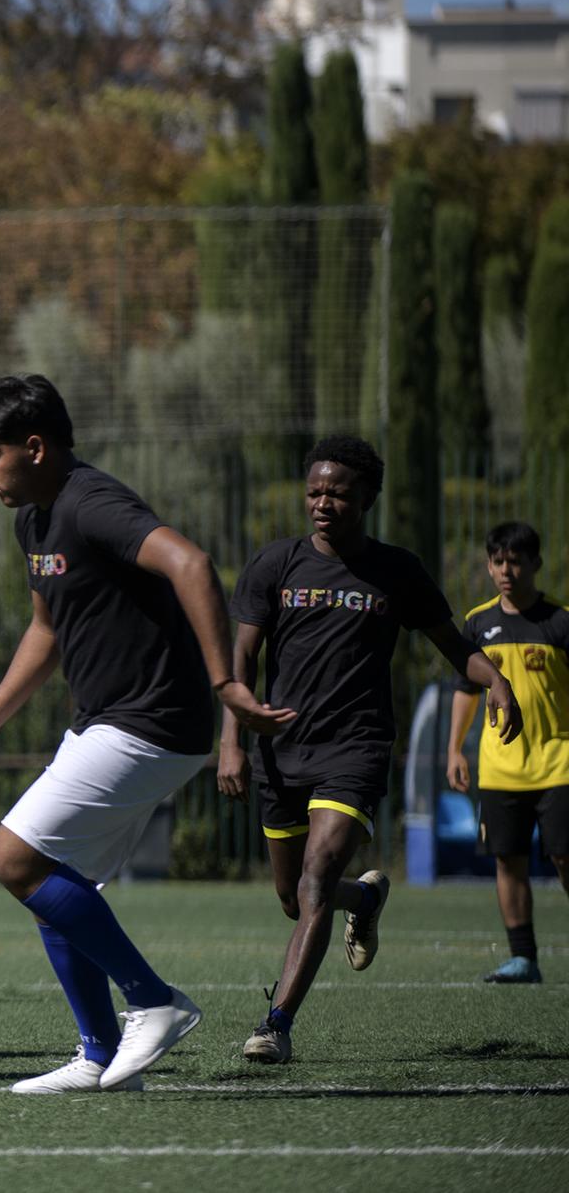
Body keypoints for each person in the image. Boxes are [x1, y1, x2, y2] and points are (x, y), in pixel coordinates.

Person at [0, 375, 282, 1094]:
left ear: (36, 448)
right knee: (55, 877)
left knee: (14, 856)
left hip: (154, 719)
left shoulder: (91, 501)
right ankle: (97, 1055)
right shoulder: (32, 520)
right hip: (107, 721)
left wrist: (225, 685)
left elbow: (191, 563)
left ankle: (152, 1001)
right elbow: (46, 629)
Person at [221, 437, 519, 1065]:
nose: (323, 503)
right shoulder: (275, 564)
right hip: (282, 749)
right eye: (315, 492)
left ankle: (276, 1023)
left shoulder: (397, 571)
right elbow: (240, 662)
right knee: (293, 895)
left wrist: (494, 679)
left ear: (368, 499)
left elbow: (450, 642)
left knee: (316, 877)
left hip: (355, 747)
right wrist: (233, 743)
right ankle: (368, 898)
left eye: (337, 493)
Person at [445, 520, 566, 984]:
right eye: (498, 561)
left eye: (515, 561)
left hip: (560, 762)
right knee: (507, 859)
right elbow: (465, 690)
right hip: (500, 768)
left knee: (564, 856)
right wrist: (456, 749)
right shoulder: (477, 623)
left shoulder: (560, 621)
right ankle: (523, 958)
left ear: (535, 563)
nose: (506, 570)